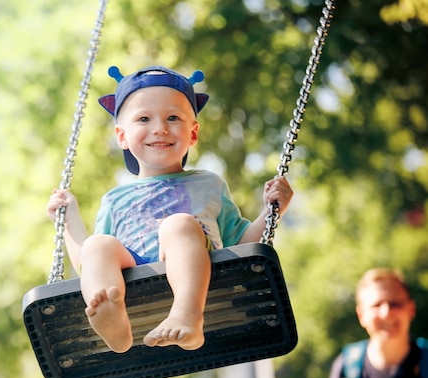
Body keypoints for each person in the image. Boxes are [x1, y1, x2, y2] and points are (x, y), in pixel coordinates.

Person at [46, 65, 293, 354]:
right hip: (134, 282)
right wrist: (68, 220)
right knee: (98, 245)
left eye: (173, 118)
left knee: (178, 225)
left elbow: (242, 245)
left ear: (193, 133)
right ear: (122, 136)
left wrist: (272, 211)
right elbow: (88, 265)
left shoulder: (209, 184)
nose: (160, 128)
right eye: (144, 118)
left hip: (199, 272)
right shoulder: (114, 199)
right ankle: (112, 321)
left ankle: (188, 314)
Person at [321, 267, 428, 378]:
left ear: (411, 309)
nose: (386, 313)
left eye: (395, 304)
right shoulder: (346, 367)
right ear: (361, 315)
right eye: (376, 305)